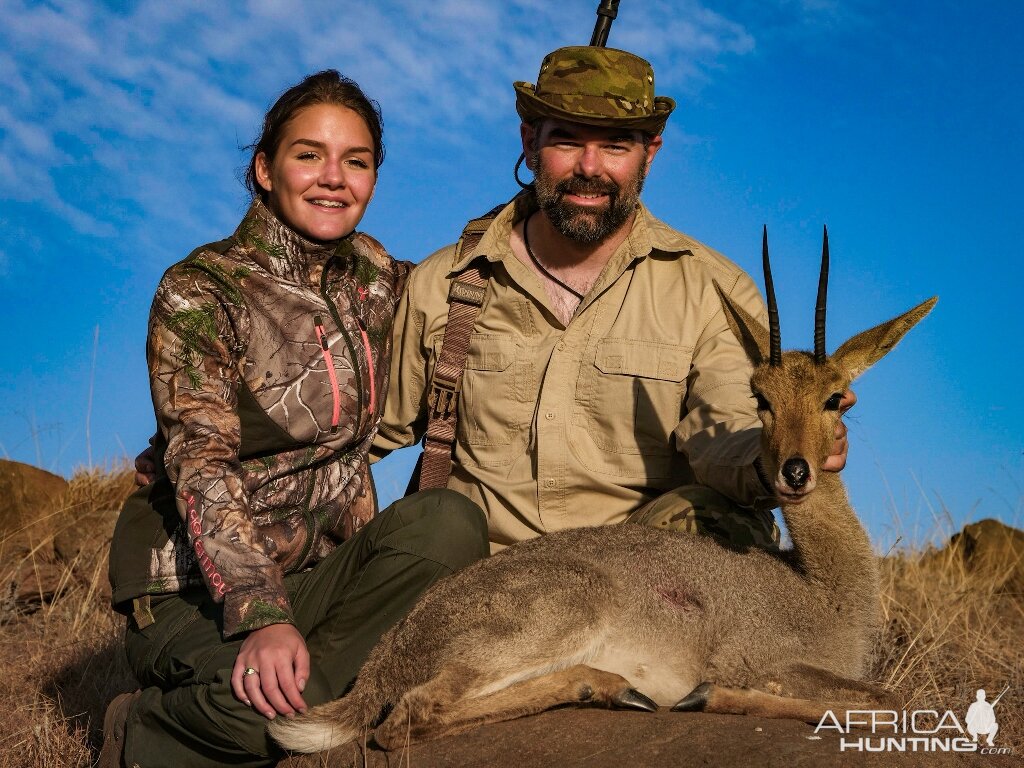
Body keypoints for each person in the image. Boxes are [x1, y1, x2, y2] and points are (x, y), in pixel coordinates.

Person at [102, 70, 488, 768]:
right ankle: (142, 729)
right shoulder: (200, 289)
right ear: (263, 169)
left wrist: (557, 175)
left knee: (449, 522)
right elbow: (202, 462)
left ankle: (314, 689)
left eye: (357, 160)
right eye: (308, 154)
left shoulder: (377, 277)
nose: (333, 178)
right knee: (266, 724)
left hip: (317, 575)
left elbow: (471, 275)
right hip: (192, 589)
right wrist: (264, 616)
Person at [371, 45, 854, 552]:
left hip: (634, 589)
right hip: (479, 586)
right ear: (529, 142)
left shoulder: (713, 292)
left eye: (617, 146)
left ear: (652, 152)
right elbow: (358, 439)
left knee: (712, 520)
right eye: (567, 140)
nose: (589, 167)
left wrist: (783, 448)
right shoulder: (446, 284)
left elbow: (726, 423)